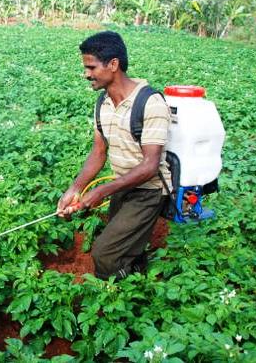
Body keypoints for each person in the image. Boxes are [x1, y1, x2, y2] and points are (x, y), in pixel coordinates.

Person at [57, 31, 171, 280]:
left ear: (113, 64)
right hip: (122, 187)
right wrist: (75, 188)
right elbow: (99, 151)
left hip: (148, 192)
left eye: (91, 67)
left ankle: (115, 297)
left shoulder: (150, 103)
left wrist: (102, 190)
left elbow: (150, 166)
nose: (86, 74)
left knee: (105, 254)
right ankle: (139, 282)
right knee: (128, 246)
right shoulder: (102, 103)